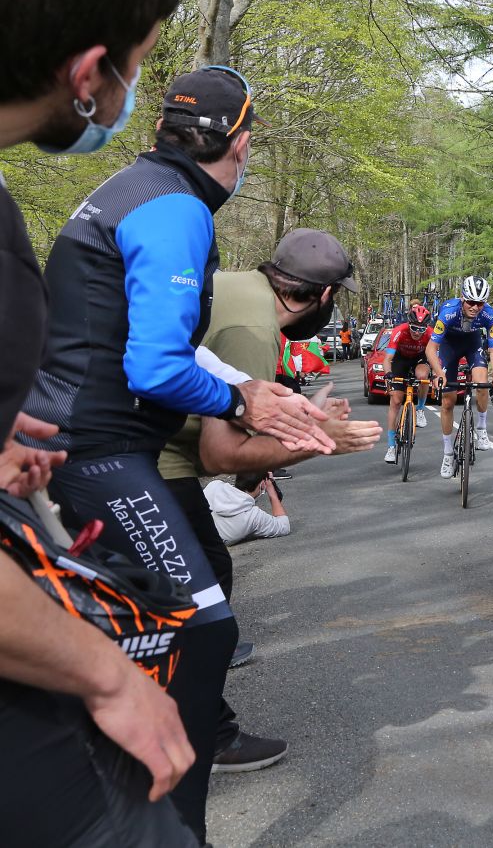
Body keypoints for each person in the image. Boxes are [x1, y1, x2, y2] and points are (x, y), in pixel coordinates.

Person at [22, 65, 334, 843]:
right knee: (201, 631)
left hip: (83, 439)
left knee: (156, 626)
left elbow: (163, 346)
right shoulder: (176, 209)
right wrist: (242, 399)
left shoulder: (137, 186)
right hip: (98, 452)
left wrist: (246, 389)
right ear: (242, 142)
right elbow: (156, 367)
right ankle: (165, 825)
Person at [0, 0, 198, 844]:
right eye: (139, 61)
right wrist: (111, 678)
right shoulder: (170, 210)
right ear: (87, 75)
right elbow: (159, 365)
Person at [154, 228, 378, 779]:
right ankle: (195, 736)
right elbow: (224, 451)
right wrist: (324, 444)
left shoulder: (237, 287)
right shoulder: (254, 329)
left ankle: (194, 725)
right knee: (203, 608)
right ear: (324, 298)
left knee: (202, 588)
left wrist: (306, 413)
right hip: (155, 461)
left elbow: (242, 406)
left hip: (146, 451)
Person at [428, 276, 493, 478]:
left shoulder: (489, 314)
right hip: (449, 346)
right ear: (462, 298)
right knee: (448, 402)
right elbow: (431, 348)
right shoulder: (448, 312)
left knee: (482, 382)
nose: (475, 307)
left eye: (480, 303)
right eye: (471, 302)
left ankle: (481, 428)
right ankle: (448, 453)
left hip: (473, 343)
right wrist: (438, 372)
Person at [382, 303, 435, 462]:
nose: (417, 332)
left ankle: (419, 409)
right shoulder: (399, 331)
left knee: (423, 375)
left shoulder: (431, 334)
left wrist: (438, 374)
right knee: (396, 400)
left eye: (421, 329)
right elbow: (387, 359)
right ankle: (391, 446)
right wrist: (388, 375)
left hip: (419, 359)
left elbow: (436, 357)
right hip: (400, 360)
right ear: (408, 324)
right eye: (414, 328)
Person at [204, 473, 290, 547]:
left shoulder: (214, 486)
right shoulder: (253, 517)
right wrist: (272, 493)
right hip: (210, 545)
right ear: (263, 484)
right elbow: (284, 526)